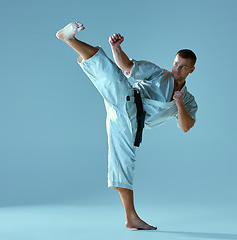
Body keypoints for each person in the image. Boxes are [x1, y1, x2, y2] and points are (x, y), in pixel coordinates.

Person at [56, 22, 198, 230]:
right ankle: (69, 39)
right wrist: (116, 48)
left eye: (183, 66)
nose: (177, 69)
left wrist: (179, 103)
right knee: (109, 69)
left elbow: (186, 126)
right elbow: (127, 67)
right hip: (128, 100)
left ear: (191, 70)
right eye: (176, 63)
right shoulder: (159, 73)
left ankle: (131, 218)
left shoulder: (188, 100)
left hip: (129, 124)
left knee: (124, 162)